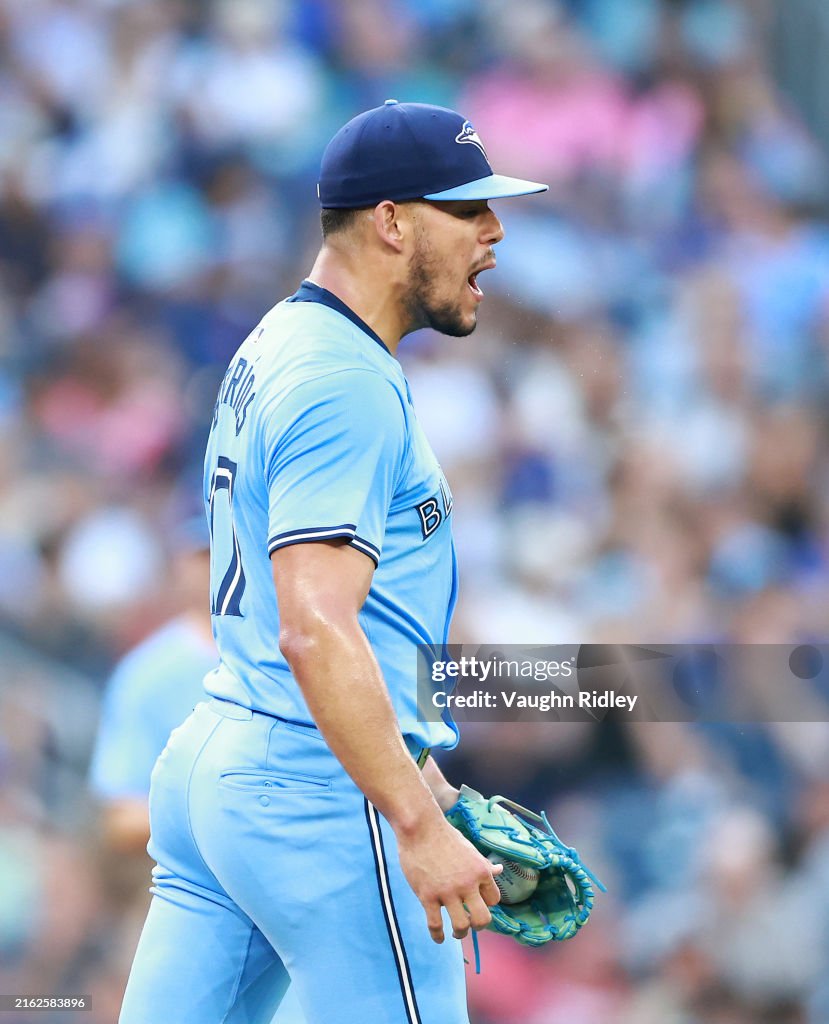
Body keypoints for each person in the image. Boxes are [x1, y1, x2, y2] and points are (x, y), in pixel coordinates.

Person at [119, 100, 548, 1024]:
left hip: (225, 757)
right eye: (466, 209)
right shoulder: (343, 380)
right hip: (313, 785)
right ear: (391, 221)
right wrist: (414, 819)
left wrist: (423, 769)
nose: (494, 230)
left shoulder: (286, 338)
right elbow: (315, 628)